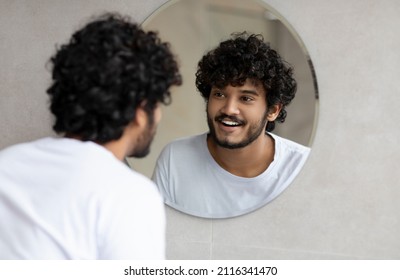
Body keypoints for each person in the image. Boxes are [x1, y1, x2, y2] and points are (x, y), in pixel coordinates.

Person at [0, 13, 181, 259]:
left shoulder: (7, 163)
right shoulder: (130, 194)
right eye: (157, 104)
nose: (158, 116)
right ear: (140, 110)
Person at [152, 32, 310, 219]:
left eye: (246, 98)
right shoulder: (175, 158)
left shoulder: (300, 166)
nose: (229, 109)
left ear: (273, 110)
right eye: (219, 94)